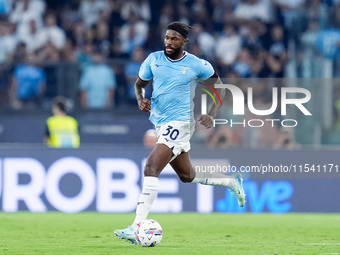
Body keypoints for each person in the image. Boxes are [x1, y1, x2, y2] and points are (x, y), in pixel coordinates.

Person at [114, 22, 246, 244]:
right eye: (166, 38)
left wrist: (212, 114)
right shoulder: (153, 60)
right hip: (160, 123)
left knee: (150, 167)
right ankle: (231, 183)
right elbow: (139, 85)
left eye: (174, 39)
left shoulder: (197, 65)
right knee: (187, 176)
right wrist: (140, 100)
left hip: (181, 123)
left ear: (184, 41)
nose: (168, 42)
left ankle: (135, 226)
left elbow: (220, 87)